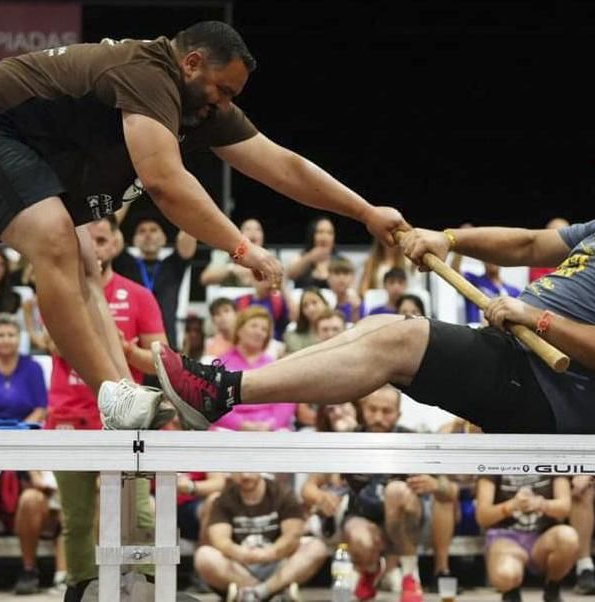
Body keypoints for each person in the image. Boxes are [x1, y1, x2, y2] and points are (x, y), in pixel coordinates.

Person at [0, 20, 405, 430]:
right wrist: (240, 247)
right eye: (222, 90)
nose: (222, 104)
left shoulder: (203, 103)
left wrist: (365, 211)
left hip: (31, 147)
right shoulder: (148, 74)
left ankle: (124, 396)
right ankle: (111, 392)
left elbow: (282, 165)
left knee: (86, 260)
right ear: (191, 63)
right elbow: (165, 182)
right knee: (55, 241)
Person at [146, 140, 595, 436]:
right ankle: (219, 387)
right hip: (519, 358)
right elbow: (526, 247)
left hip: (555, 390)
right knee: (377, 329)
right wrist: (447, 239)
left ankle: (222, 391)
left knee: (398, 340)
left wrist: (537, 319)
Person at [46, 216, 169, 597]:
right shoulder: (58, 291)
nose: (95, 249)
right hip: (70, 417)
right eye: (90, 241)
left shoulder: (138, 296)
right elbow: (56, 346)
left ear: (116, 242)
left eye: (102, 240)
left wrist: (128, 349)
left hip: (123, 423)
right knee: (78, 520)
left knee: (140, 512)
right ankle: (81, 588)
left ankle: (146, 583)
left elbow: (162, 359)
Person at [333, 387, 432, 601]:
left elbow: (447, 489)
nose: (378, 417)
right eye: (372, 409)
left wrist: (433, 484)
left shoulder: (413, 440)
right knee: (357, 535)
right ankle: (370, 570)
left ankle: (409, 576)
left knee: (395, 490)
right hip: (363, 517)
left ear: (398, 414)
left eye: (386, 411)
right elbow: (314, 484)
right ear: (362, 409)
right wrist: (320, 494)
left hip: (405, 522)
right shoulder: (348, 440)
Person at [194, 472, 328, 602]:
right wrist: (241, 553)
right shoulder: (224, 498)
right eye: (239, 470)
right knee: (204, 556)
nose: (245, 475)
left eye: (250, 469)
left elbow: (292, 536)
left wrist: (271, 553)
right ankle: (266, 592)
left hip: (279, 563)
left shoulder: (282, 492)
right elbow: (220, 540)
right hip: (238, 566)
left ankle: (258, 593)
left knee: (317, 547)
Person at [475, 474, 578, 602]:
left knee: (568, 537)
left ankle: (553, 587)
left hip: (543, 537)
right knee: (505, 574)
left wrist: (541, 504)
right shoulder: (493, 464)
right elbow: (483, 517)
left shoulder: (552, 459)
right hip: (505, 537)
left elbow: (565, 507)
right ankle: (511, 593)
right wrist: (511, 506)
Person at [112, 216, 197, 348]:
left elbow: (189, 233)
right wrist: (123, 197)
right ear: (134, 240)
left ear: (164, 239)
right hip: (130, 344)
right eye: (142, 231)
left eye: (153, 230)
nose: (148, 235)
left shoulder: (173, 265)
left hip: (167, 342)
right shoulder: (125, 264)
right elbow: (110, 230)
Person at [211, 307, 295, 432]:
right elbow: (213, 403)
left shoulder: (275, 365)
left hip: (270, 429)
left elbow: (286, 402)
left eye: (264, 329)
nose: (259, 332)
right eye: (254, 326)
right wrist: (241, 425)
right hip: (230, 429)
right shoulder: (220, 365)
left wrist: (271, 424)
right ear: (239, 330)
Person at [200, 218, 267, 286]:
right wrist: (232, 269)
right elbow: (205, 278)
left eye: (257, 229)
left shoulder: (270, 255)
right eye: (248, 229)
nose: (253, 232)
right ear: (240, 234)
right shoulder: (225, 254)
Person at [287, 216, 340, 290]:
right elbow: (288, 276)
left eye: (329, 233)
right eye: (320, 232)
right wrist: (309, 258)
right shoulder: (300, 257)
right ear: (312, 235)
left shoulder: (340, 261)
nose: (324, 237)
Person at [282, 287, 329, 354]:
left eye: (314, 302)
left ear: (325, 303)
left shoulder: (338, 327)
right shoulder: (293, 337)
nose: (311, 309)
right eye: (305, 305)